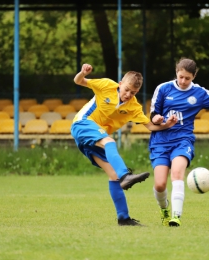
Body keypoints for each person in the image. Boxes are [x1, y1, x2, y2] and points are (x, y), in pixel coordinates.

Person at [71, 63, 178, 226]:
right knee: (109, 141)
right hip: (82, 124)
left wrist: (168, 125)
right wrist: (82, 72)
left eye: (133, 92)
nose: (128, 94)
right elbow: (79, 81)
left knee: (113, 175)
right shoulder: (107, 85)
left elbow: (150, 126)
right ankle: (125, 175)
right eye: (126, 89)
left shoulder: (134, 107)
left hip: (96, 137)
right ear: (120, 84)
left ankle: (124, 218)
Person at [149, 57, 209, 227]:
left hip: (183, 140)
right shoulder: (163, 89)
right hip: (160, 141)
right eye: (181, 77)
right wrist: (157, 118)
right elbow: (153, 114)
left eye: (187, 78)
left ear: (194, 76)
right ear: (176, 72)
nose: (183, 81)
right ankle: (165, 209)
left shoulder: (200, 93)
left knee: (176, 173)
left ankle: (176, 216)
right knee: (160, 185)